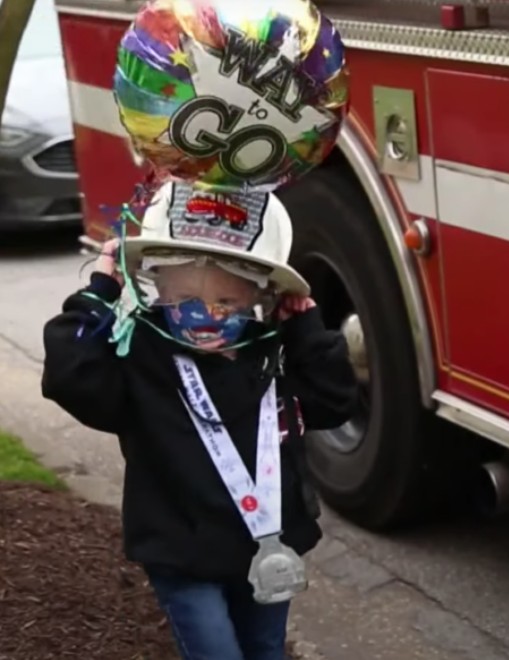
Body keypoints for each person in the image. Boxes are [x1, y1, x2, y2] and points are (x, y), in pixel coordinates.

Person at [41, 181, 358, 660]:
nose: (205, 316)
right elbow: (70, 374)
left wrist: (308, 329)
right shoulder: (143, 359)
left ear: (259, 294)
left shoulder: (273, 350)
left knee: (265, 650)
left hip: (265, 548)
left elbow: (335, 402)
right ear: (159, 286)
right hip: (182, 553)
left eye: (226, 301)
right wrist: (100, 292)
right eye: (185, 297)